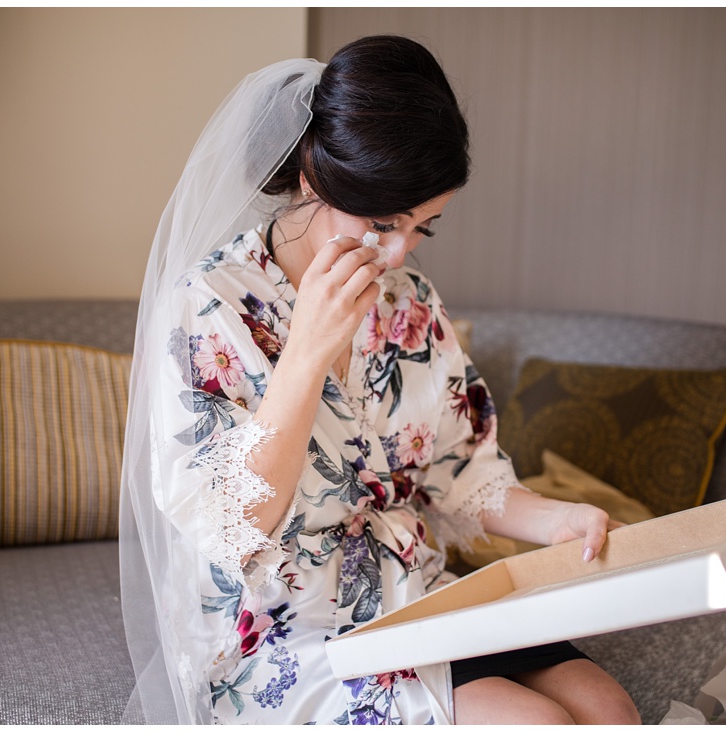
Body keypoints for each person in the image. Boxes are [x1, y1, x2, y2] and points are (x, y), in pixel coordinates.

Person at [119, 36, 641, 724]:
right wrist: (305, 352)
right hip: (284, 628)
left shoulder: (410, 301)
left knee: (609, 709)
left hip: (416, 593)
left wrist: (559, 519)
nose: (396, 253)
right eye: (382, 222)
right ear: (313, 181)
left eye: (424, 228)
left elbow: (460, 472)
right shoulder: (207, 308)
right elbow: (231, 528)